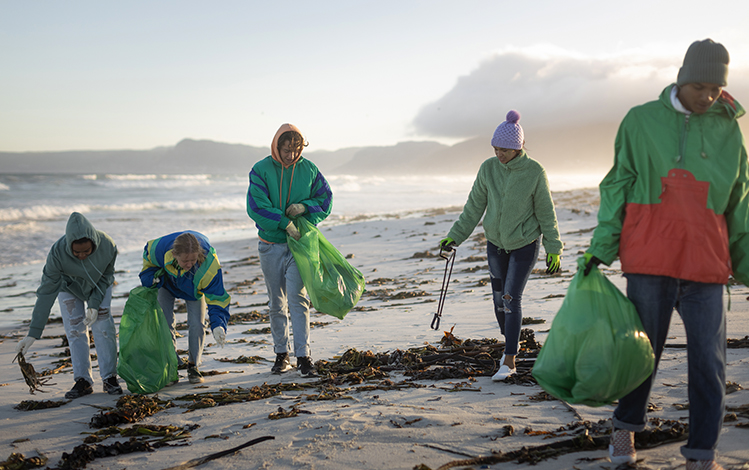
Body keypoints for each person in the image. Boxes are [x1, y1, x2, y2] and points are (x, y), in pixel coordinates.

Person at [584, 39, 747, 469]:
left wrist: (745, 264)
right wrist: (602, 246)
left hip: (706, 266)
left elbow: (740, 202)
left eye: (716, 88)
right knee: (640, 357)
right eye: (699, 86)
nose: (707, 96)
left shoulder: (729, 129)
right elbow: (617, 184)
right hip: (650, 263)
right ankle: (623, 435)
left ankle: (701, 454)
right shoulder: (640, 121)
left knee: (710, 366)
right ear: (681, 76)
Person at [439, 110, 563, 381]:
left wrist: (554, 248)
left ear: (517, 147)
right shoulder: (488, 169)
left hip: (524, 244)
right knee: (498, 302)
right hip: (495, 244)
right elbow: (473, 208)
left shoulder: (534, 172)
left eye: (504, 149)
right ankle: (512, 342)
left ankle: (509, 360)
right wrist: (454, 236)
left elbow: (546, 213)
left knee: (510, 298)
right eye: (495, 148)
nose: (499, 154)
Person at [247, 123, 333, 377]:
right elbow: (256, 206)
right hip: (271, 245)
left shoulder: (309, 169)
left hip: (300, 246)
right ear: (277, 146)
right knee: (277, 302)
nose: (291, 156)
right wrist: (284, 223)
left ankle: (304, 356)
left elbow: (326, 199)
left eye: (296, 150)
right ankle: (280, 354)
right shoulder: (260, 170)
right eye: (286, 150)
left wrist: (304, 207)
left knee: (299, 299)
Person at [15, 212, 122, 399]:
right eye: (76, 252)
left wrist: (95, 304)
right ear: (68, 245)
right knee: (74, 328)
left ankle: (110, 378)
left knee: (103, 325)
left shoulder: (108, 245)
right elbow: (46, 292)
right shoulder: (57, 253)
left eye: (86, 252)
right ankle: (83, 380)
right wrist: (33, 332)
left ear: (94, 245)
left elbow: (106, 277)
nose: (81, 256)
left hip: (99, 286)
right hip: (69, 288)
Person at [139, 231, 230, 384]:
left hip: (194, 288)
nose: (189, 264)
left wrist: (219, 324)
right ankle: (171, 363)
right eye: (185, 261)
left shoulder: (209, 264)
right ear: (174, 254)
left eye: (193, 260)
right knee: (164, 322)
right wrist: (151, 279)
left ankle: (193, 366)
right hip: (166, 283)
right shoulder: (159, 250)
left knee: (197, 324)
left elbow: (217, 297)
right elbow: (148, 263)